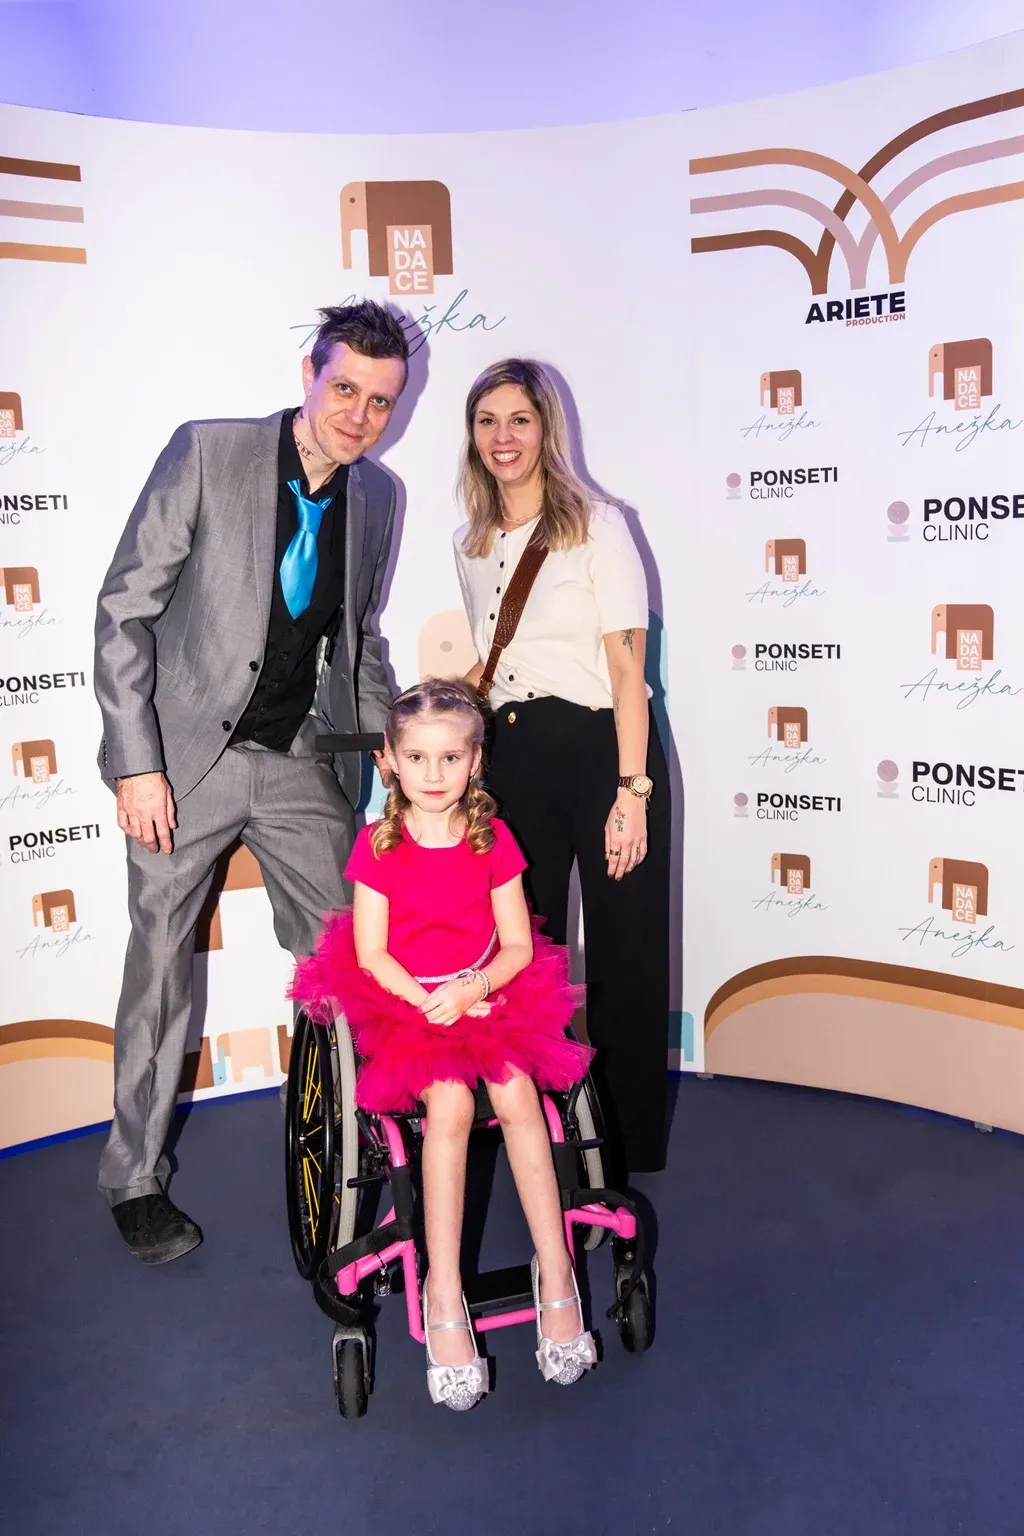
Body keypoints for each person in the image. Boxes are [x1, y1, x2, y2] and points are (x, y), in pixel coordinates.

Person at [93, 300, 409, 1265]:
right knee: (160, 967)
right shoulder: (209, 453)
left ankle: (351, 1133)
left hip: (299, 757)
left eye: (381, 401)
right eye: (344, 389)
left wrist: (384, 739)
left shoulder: (379, 497)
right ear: (309, 375)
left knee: (351, 952)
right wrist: (137, 763)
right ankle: (134, 1178)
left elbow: (358, 637)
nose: (359, 415)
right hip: (185, 758)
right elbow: (123, 614)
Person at [292, 679, 596, 1411]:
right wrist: (433, 1004)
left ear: (475, 761)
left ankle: (556, 1269)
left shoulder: (494, 840)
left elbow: (518, 944)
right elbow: (371, 954)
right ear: (390, 760)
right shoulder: (378, 846)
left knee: (519, 1092)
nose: (434, 774)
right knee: (452, 1103)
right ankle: (443, 1286)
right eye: (418, 758)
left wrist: (472, 989)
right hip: (404, 1000)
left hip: (486, 990)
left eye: (451, 758)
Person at [453, 358, 670, 1179]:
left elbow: (626, 671)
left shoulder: (597, 526)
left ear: (547, 429)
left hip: (607, 750)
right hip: (514, 758)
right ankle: (535, 1129)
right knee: (525, 953)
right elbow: (496, 663)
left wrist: (633, 792)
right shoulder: (470, 543)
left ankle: (624, 1148)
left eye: (519, 419)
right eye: (487, 421)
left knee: (625, 955)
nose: (503, 437)